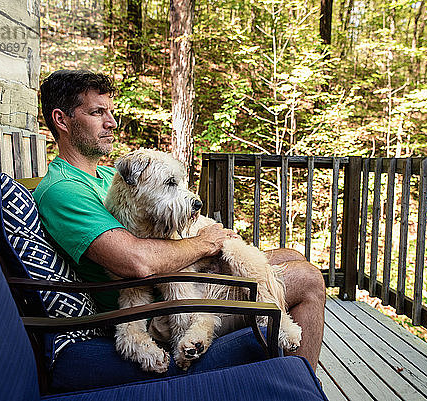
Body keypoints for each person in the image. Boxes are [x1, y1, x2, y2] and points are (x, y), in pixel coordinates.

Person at [34, 69, 325, 381]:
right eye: (97, 113)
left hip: (187, 280)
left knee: (290, 255)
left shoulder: (106, 177)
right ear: (62, 120)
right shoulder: (63, 190)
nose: (112, 123)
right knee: (307, 280)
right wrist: (206, 242)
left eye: (111, 112)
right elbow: (137, 261)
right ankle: (299, 388)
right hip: (161, 309)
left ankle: (277, 380)